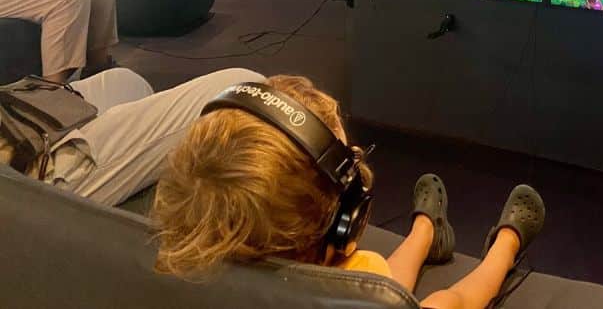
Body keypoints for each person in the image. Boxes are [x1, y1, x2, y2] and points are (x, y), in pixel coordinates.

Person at [151, 75, 546, 309]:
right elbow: (387, 290)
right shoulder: (360, 286)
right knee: (447, 302)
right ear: (347, 220)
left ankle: (426, 232)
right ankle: (505, 244)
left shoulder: (180, 277)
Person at [0, 67, 266, 205]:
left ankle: (145, 174)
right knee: (243, 87)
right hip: (20, 174)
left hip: (15, 116)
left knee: (126, 80)